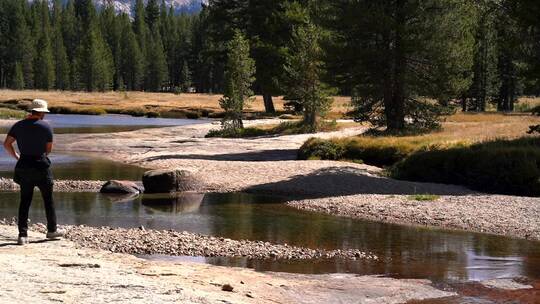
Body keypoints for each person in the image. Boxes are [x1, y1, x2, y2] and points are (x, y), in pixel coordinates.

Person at [3, 99, 64, 245]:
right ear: (42, 112)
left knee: (25, 201)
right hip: (41, 166)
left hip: (24, 165)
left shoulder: (18, 125)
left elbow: (7, 144)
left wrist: (17, 156)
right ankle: (51, 231)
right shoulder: (46, 127)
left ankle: (22, 236)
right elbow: (48, 150)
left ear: (32, 111)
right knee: (48, 200)